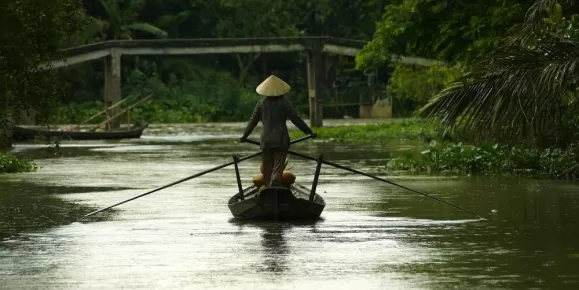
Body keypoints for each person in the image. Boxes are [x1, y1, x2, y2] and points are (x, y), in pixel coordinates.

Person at [240, 75, 317, 187]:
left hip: (265, 141)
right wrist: (309, 132)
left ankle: (268, 187)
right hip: (281, 140)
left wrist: (244, 136)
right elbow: (296, 120)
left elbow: (253, 121)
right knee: (278, 165)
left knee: (267, 169)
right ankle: (275, 182)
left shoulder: (261, 104)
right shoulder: (284, 103)